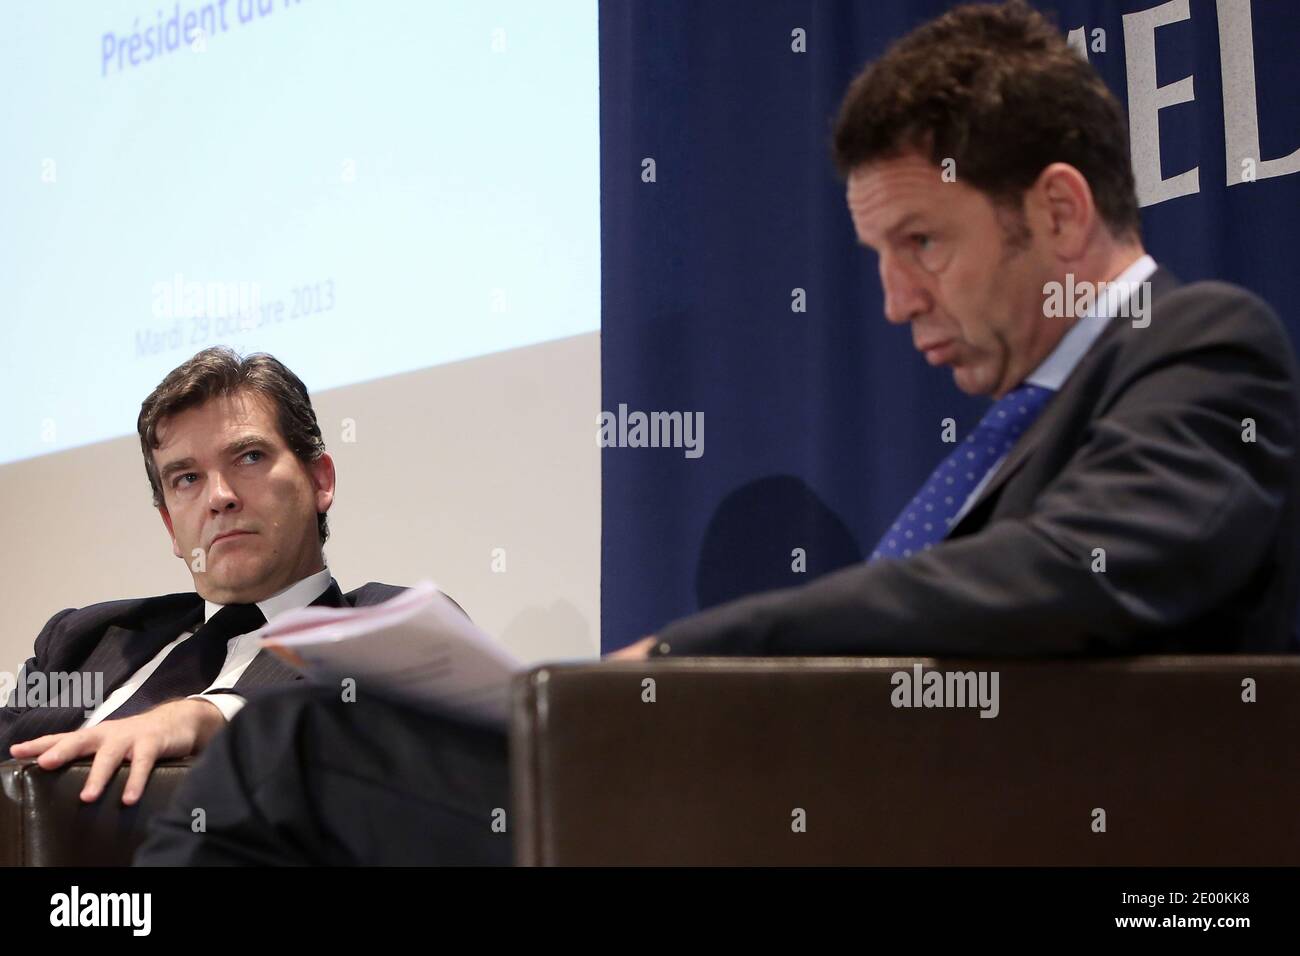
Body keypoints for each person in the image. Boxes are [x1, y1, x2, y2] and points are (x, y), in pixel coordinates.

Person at [135, 0, 1299, 865]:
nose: (895, 300)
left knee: (295, 751)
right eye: (879, 258)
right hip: (812, 789)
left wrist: (684, 659)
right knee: (309, 723)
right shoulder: (1021, 418)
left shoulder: (1197, 341)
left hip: (915, 817)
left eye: (922, 244)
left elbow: (1062, 576)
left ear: (1055, 208)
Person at [1, 347, 411, 807]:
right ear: (171, 527)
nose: (219, 497)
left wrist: (204, 716)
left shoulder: (384, 625)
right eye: (187, 478)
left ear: (320, 481)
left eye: (250, 457)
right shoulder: (83, 639)